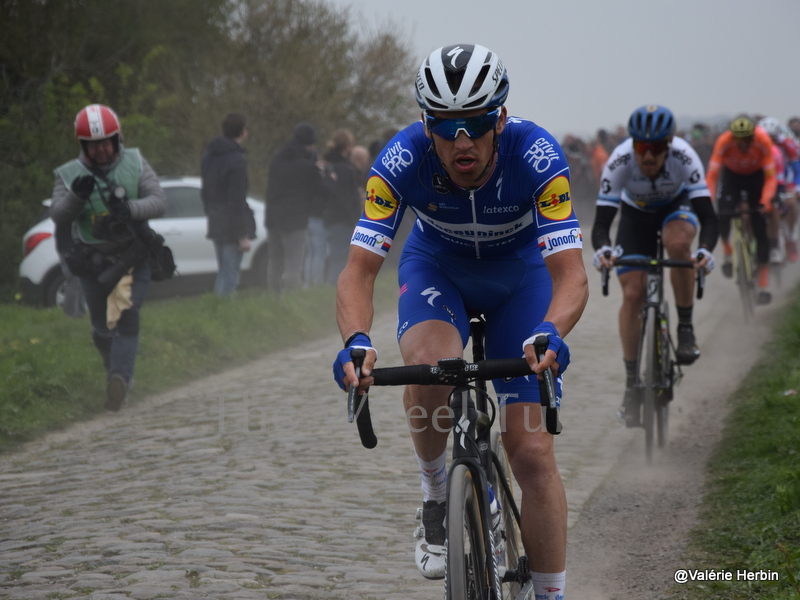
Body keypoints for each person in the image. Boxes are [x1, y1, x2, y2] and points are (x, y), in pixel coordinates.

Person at [333, 44, 588, 600]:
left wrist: (553, 331)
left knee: (531, 453)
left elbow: (570, 274)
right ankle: (434, 494)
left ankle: (549, 594)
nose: (462, 141)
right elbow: (358, 271)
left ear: (500, 116)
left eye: (476, 123)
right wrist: (355, 340)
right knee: (427, 368)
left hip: (520, 277)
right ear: (427, 125)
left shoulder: (538, 154)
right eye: (446, 127)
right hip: (438, 269)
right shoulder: (402, 159)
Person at [591, 105, 718, 428]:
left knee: (678, 246)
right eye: (642, 148)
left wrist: (704, 250)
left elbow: (708, 217)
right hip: (636, 217)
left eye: (656, 148)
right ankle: (632, 383)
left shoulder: (685, 158)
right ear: (632, 145)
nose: (648, 156)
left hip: (678, 208)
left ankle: (685, 328)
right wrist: (603, 249)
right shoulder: (619, 161)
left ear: (669, 145)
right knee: (632, 295)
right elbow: (602, 223)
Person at [50, 104, 166, 411]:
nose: (101, 150)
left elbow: (159, 201)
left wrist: (130, 209)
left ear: (116, 139)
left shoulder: (135, 162)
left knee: (126, 315)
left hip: (133, 256)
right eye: (93, 145)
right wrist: (76, 196)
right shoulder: (67, 174)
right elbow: (58, 215)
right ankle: (116, 373)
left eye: (106, 143)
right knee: (102, 329)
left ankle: (120, 381)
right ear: (83, 145)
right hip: (92, 261)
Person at [706, 115, 777, 305]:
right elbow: (712, 176)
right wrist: (706, 202)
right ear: (733, 137)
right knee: (723, 214)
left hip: (756, 178)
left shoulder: (763, 141)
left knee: (760, 228)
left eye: (747, 140)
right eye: (739, 140)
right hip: (732, 178)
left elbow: (771, 177)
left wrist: (765, 201)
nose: (744, 144)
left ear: (753, 137)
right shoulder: (724, 142)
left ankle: (763, 284)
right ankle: (728, 252)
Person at [265, 122, 329, 292]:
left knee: (275, 263)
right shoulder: (306, 167)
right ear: (310, 144)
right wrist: (323, 173)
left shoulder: (277, 159)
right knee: (294, 265)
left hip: (273, 216)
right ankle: (290, 300)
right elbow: (322, 191)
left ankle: (273, 298)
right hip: (294, 220)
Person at [200, 112, 256, 296]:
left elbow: (205, 192)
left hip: (216, 220)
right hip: (232, 226)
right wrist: (242, 235)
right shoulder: (237, 160)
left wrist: (211, 213)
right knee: (230, 275)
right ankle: (225, 315)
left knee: (223, 272)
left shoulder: (208, 156)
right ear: (242, 132)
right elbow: (236, 201)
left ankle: (217, 313)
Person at [321, 129, 362, 284]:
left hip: (328, 216)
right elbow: (346, 197)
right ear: (348, 146)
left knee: (333, 256)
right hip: (343, 219)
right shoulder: (345, 168)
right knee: (340, 258)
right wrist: (354, 220)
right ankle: (335, 289)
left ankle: (331, 287)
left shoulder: (328, 164)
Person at [758, 116, 800, 263]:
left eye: (773, 139)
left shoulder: (787, 143)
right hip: (764, 180)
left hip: (784, 179)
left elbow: (796, 167)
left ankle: (791, 238)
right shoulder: (756, 144)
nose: (770, 142)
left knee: (790, 203)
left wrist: (797, 186)